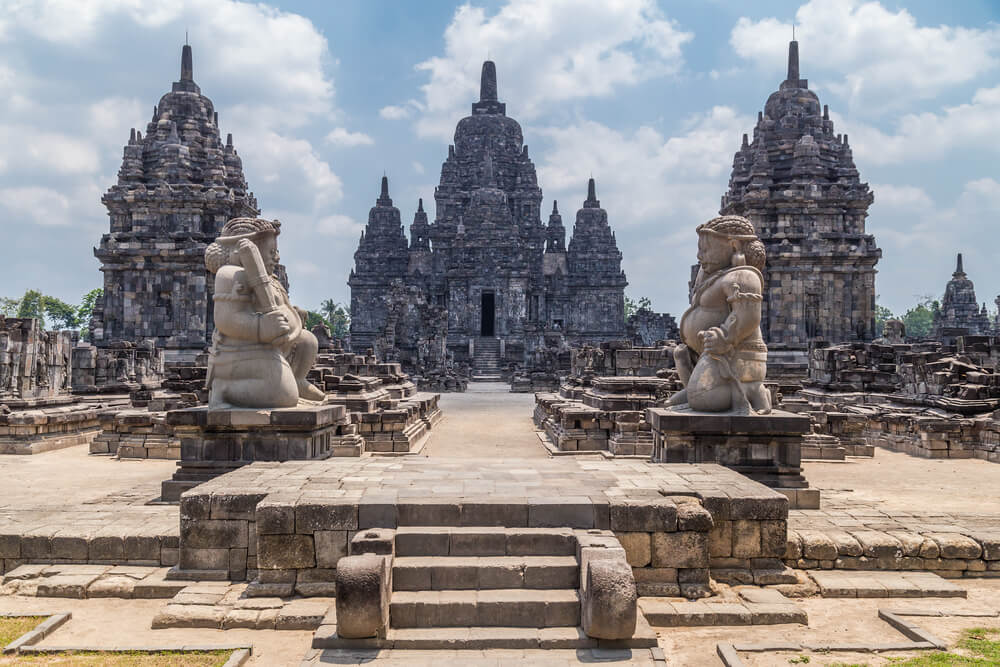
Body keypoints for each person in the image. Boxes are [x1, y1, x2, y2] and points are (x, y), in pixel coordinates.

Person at [204, 217, 325, 409]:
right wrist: (260, 327)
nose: (276, 258)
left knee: (307, 340)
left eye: (276, 252)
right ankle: (223, 389)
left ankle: (297, 378)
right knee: (283, 396)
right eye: (270, 252)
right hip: (241, 353)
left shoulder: (270, 280)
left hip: (275, 346)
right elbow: (225, 319)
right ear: (239, 251)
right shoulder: (229, 275)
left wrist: (293, 314)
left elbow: (278, 305)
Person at [668, 215, 770, 414]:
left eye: (705, 249)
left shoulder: (744, 277)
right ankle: (694, 390)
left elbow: (749, 317)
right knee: (681, 355)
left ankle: (752, 391)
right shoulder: (717, 276)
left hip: (736, 354)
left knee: (702, 400)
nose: (699, 256)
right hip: (708, 354)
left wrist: (725, 337)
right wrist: (705, 271)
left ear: (733, 246)